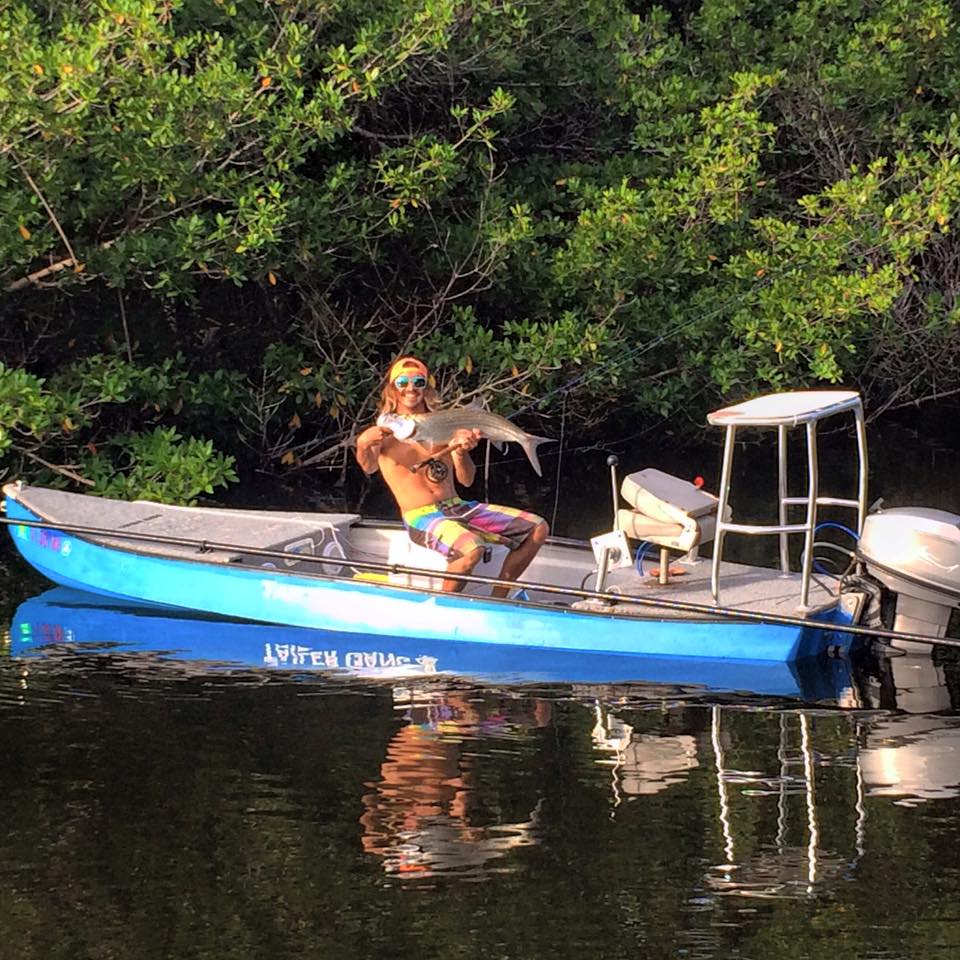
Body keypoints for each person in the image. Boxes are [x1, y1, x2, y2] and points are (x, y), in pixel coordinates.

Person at [355, 356, 548, 595]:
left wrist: (460, 452)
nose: (410, 388)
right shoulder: (385, 431)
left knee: (538, 528)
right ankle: (445, 605)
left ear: (426, 388)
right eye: (402, 382)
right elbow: (369, 467)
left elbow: (466, 479)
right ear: (392, 389)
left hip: (457, 506)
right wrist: (363, 444)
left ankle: (499, 598)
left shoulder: (444, 423)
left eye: (418, 381)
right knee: (471, 548)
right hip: (420, 516)